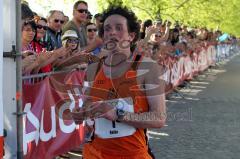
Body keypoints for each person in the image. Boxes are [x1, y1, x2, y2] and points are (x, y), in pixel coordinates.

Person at [71, 5, 166, 159]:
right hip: (94, 154)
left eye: (119, 28)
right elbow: (87, 107)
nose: (112, 32)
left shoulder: (147, 68)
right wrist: (80, 114)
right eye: (107, 29)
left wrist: (117, 114)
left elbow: (159, 118)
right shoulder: (93, 69)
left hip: (133, 154)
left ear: (131, 36)